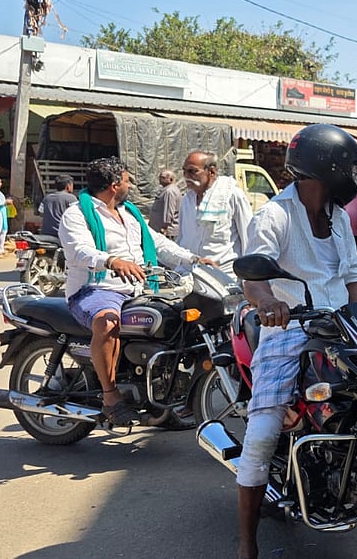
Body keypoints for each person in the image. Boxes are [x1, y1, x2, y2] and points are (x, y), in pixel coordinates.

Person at [235, 124, 357, 559]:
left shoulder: (340, 220)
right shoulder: (274, 215)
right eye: (349, 168)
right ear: (325, 170)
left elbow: (353, 276)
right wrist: (269, 301)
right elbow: (254, 277)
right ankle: (247, 544)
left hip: (339, 328)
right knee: (263, 431)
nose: (354, 176)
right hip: (287, 330)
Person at [59, 157, 212, 426]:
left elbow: (158, 242)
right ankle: (110, 397)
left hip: (137, 288)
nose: (131, 185)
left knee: (180, 324)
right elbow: (78, 250)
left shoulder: (129, 213)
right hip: (96, 288)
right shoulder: (77, 214)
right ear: (115, 185)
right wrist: (111, 261)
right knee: (108, 322)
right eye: (128, 180)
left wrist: (193, 259)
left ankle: (161, 403)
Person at [178, 151, 253, 280]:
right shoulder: (186, 200)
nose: (186, 176)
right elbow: (181, 238)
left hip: (225, 276)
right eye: (184, 171)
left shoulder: (232, 195)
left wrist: (248, 278)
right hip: (190, 275)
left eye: (192, 171)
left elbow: (249, 238)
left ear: (211, 172)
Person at [149, 169, 182, 240]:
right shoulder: (166, 190)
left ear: (170, 179)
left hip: (167, 232)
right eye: (160, 177)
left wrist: (164, 228)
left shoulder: (169, 192)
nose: (160, 179)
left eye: (163, 177)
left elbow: (169, 211)